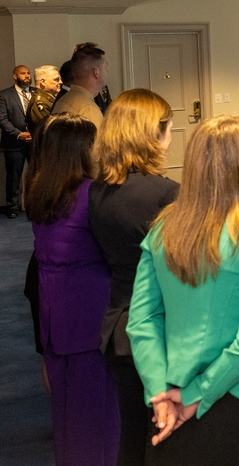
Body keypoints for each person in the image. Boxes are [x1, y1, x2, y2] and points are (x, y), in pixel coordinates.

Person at [127, 115, 239, 465]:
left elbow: (141, 321)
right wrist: (198, 394)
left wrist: (158, 392)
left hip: (169, 398)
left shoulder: (163, 227)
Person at [89, 89, 179, 465]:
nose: (171, 138)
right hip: (159, 330)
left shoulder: (98, 190)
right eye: (169, 129)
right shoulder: (167, 193)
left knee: (132, 434)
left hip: (117, 328)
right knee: (166, 438)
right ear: (152, 133)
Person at [23, 113, 120, 465]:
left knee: (67, 419)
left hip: (54, 317)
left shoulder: (39, 194)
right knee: (98, 420)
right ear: (80, 150)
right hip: (90, 319)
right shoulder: (91, 196)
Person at [1, 65, 33, 218]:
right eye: (23, 73)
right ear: (15, 76)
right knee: (14, 176)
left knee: (36, 175)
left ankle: (34, 205)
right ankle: (13, 207)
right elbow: (3, 120)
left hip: (34, 142)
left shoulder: (36, 93)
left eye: (28, 73)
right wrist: (19, 134)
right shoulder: (5, 95)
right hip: (14, 143)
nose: (26, 76)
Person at [52, 43, 108, 127]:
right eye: (105, 67)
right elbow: (95, 140)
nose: (107, 72)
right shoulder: (88, 109)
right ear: (96, 72)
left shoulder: (62, 100)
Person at [27, 65, 63, 132]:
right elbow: (47, 129)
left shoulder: (47, 99)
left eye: (60, 79)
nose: (60, 82)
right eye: (56, 79)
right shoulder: (40, 103)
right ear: (43, 82)